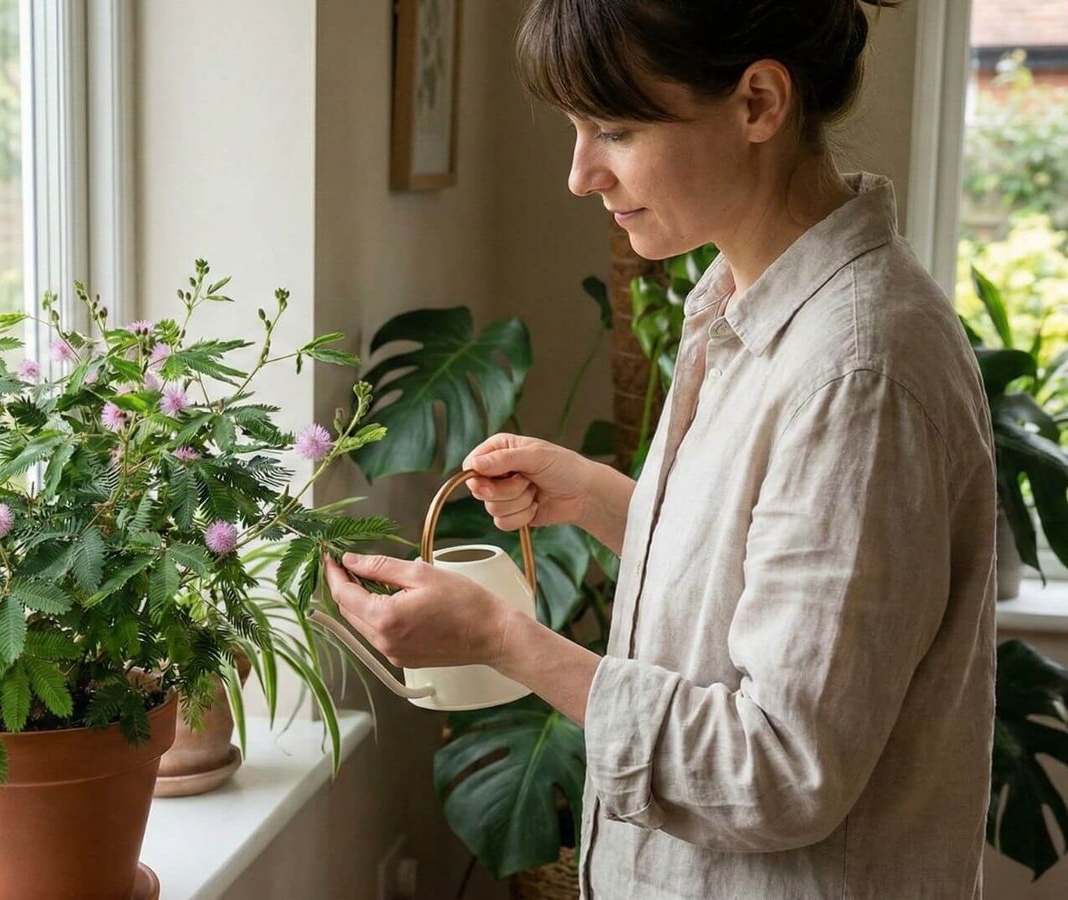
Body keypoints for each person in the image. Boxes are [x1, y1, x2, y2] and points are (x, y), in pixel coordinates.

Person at [322, 0, 997, 896]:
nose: (580, 175)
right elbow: (769, 576)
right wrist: (599, 498)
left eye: (615, 129)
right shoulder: (743, 305)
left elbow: (780, 770)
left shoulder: (857, 372)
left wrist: (501, 640)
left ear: (758, 103)